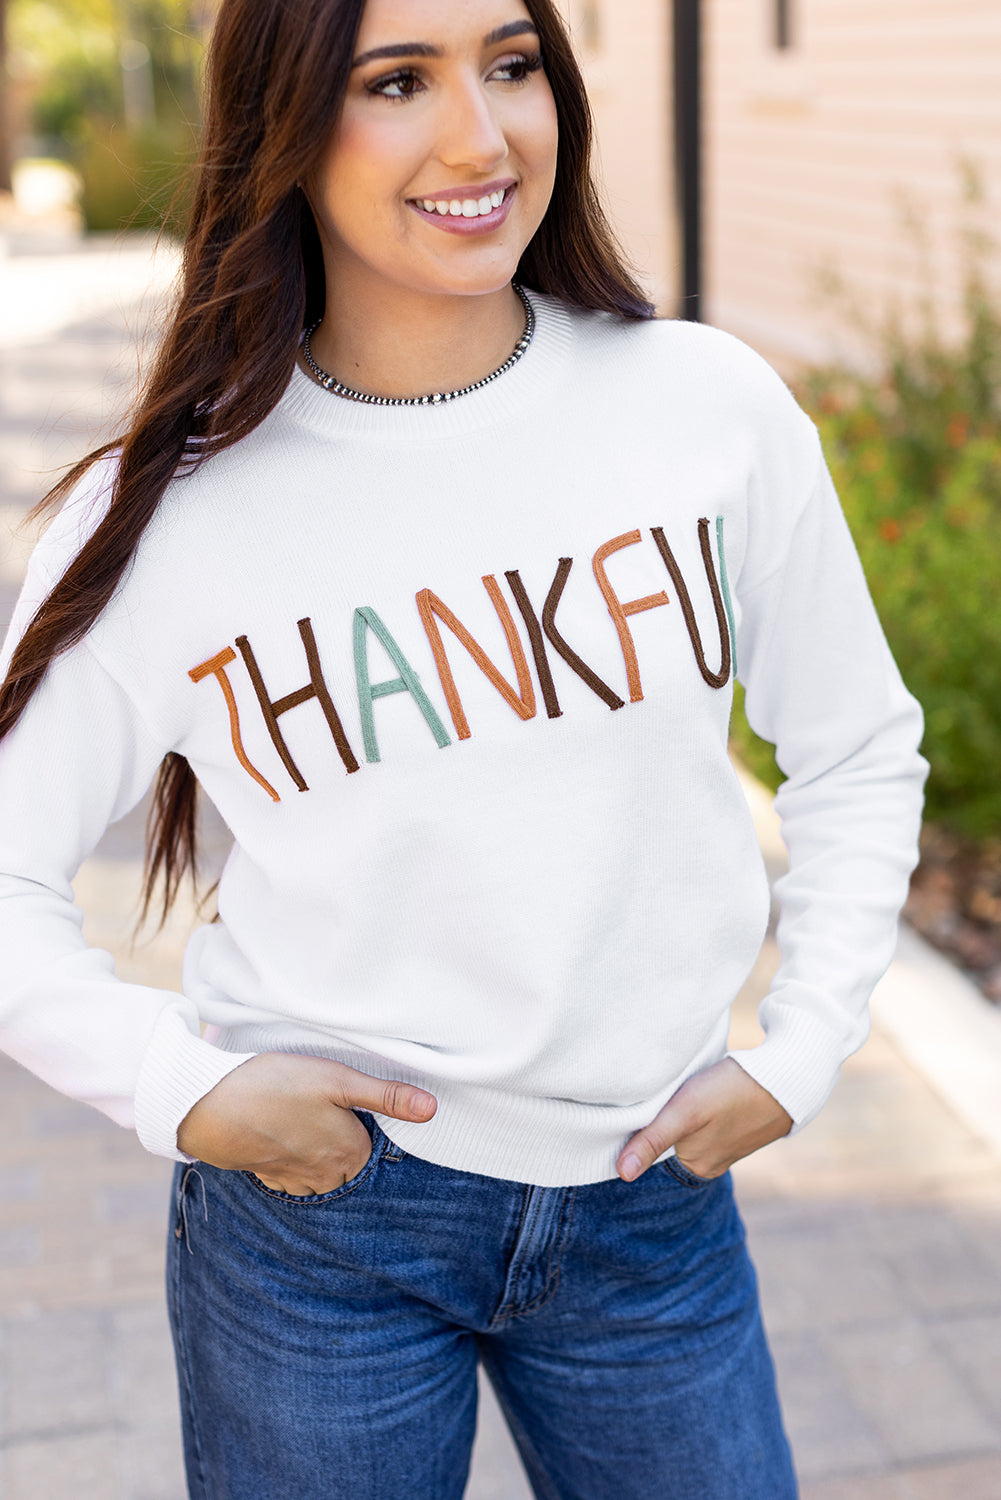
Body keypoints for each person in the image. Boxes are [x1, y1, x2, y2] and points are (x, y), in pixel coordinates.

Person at [0, 0, 927, 1495]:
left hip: (649, 1202)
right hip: (324, 1227)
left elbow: (856, 746)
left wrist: (806, 1045)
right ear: (285, 128)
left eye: (510, 65)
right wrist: (181, 1091)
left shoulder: (700, 406)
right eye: (397, 82)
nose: (478, 136)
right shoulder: (175, 510)